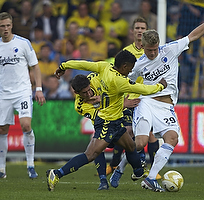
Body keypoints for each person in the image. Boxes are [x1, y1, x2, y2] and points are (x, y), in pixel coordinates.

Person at [127, 4, 204, 192]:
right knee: (140, 144)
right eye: (149, 50)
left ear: (158, 45)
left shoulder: (170, 50)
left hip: (166, 106)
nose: (153, 53)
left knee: (172, 138)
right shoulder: (139, 64)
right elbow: (126, 82)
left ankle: (151, 178)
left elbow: (193, 35)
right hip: (146, 102)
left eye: (155, 49)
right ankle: (122, 160)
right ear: (143, 47)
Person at [46, 49, 167, 191]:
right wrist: (160, 86)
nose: (130, 72)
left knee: (131, 146)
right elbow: (143, 89)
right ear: (124, 66)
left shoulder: (104, 67)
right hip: (106, 123)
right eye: (130, 69)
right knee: (91, 154)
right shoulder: (118, 81)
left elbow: (83, 64)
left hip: (115, 121)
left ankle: (139, 172)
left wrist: (64, 66)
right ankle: (57, 173)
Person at [109, 17, 162, 187]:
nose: (140, 31)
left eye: (143, 28)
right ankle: (117, 165)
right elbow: (119, 77)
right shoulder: (127, 52)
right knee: (127, 133)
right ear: (132, 31)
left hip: (149, 99)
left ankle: (151, 171)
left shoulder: (155, 52)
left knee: (150, 137)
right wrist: (122, 99)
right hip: (132, 98)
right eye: (137, 28)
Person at [71, 72, 141, 190]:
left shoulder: (96, 77)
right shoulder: (80, 104)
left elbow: (114, 85)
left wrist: (103, 99)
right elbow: (101, 115)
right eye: (84, 93)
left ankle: (121, 168)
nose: (88, 94)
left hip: (121, 107)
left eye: (89, 90)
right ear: (77, 93)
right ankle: (103, 180)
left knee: (129, 132)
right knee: (97, 147)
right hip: (105, 119)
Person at [0, 12, 46, 179]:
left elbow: (35, 66)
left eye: (7, 25)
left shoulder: (23, 43)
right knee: (2, 130)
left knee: (26, 126)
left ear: (11, 25)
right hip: (3, 93)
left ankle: (30, 166)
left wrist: (38, 89)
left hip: (22, 92)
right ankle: (2, 169)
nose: (5, 29)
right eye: (2, 26)